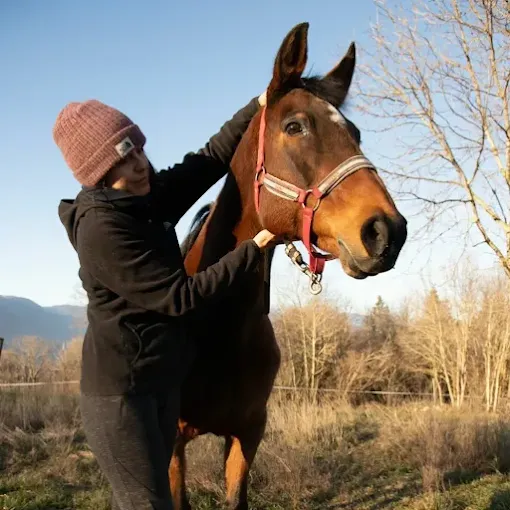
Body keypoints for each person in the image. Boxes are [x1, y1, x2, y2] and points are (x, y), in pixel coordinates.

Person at [54, 92, 276, 510]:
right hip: (122, 399)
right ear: (98, 173)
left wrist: (258, 104)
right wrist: (252, 251)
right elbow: (180, 297)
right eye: (124, 159)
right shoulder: (102, 230)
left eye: (139, 150)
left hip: (159, 383)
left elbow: (209, 158)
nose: (140, 164)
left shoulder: (146, 198)